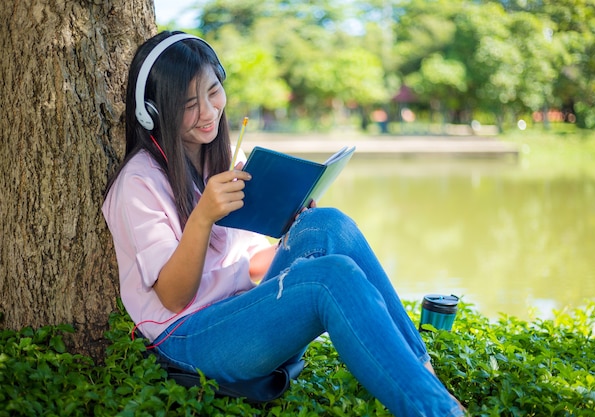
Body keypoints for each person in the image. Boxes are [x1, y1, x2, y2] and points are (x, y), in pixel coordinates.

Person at [102, 30, 466, 417]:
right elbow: (173, 298)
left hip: (241, 313)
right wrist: (203, 217)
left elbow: (245, 264)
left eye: (213, 92)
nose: (208, 113)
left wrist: (294, 232)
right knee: (329, 277)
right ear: (152, 113)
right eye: (189, 104)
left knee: (326, 223)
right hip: (188, 336)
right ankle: (437, 412)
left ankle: (423, 373)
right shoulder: (139, 183)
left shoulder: (216, 161)